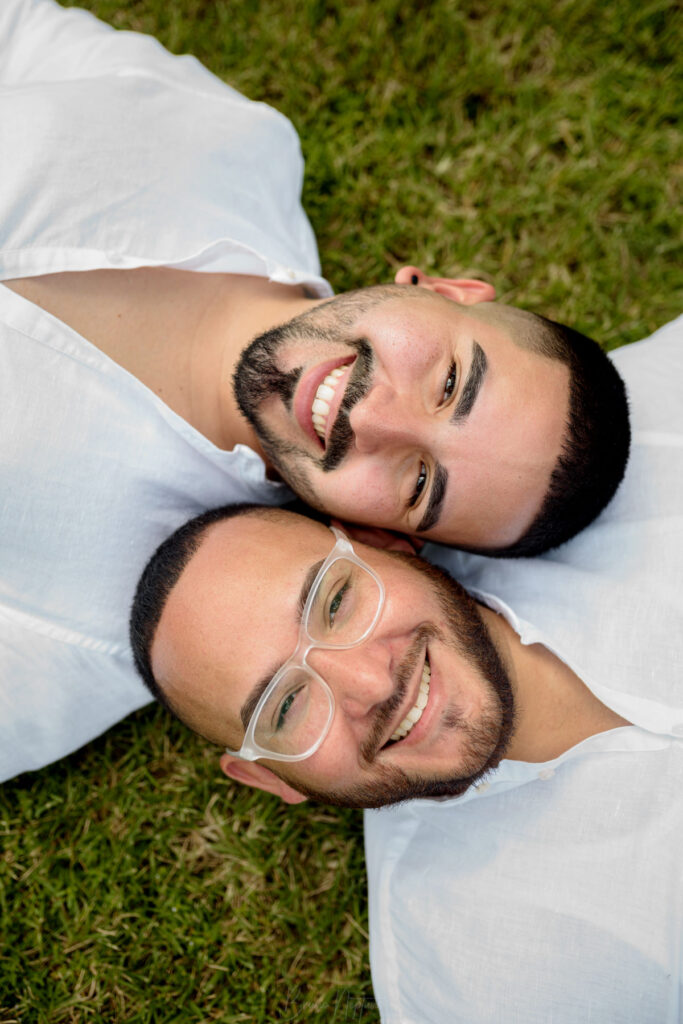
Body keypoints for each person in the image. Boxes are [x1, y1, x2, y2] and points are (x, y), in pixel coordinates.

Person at [0, 0, 628, 781]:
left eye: (419, 480)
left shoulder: (83, 628)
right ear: (441, 288)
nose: (375, 414)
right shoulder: (239, 144)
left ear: (377, 535)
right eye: (449, 381)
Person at [130, 314, 682, 1019]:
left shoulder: (655, 429)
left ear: (382, 545)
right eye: (285, 708)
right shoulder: (484, 990)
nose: (369, 685)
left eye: (335, 601)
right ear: (270, 779)